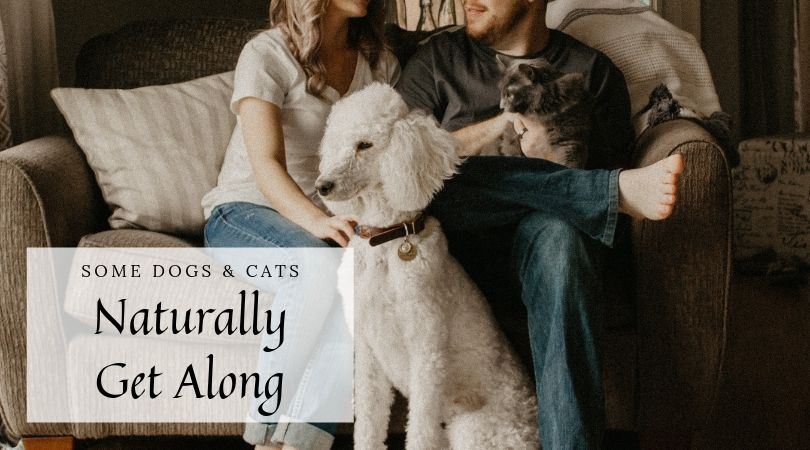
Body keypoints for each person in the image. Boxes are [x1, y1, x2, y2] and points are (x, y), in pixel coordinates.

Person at [395, 0, 685, 448]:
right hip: (454, 251)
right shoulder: (439, 62)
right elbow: (401, 166)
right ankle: (610, 192)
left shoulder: (591, 72)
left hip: (542, 250)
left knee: (565, 239)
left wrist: (553, 162)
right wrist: (499, 127)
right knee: (437, 177)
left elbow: (608, 228)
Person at [201, 0, 400, 449]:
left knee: (358, 282)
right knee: (312, 266)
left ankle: (300, 444)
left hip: (331, 219)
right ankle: (265, 436)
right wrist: (316, 220)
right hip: (245, 211)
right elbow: (266, 164)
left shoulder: (380, 63)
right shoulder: (267, 53)